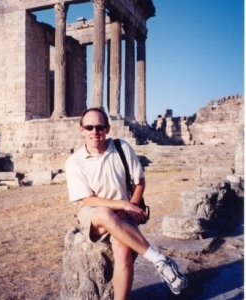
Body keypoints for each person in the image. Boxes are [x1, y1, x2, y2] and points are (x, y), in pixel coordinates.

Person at [65, 107, 188, 300]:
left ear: (108, 128)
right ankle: (160, 260)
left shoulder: (122, 148)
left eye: (99, 127)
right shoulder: (75, 161)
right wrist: (122, 204)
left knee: (123, 252)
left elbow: (139, 183)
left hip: (124, 215)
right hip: (93, 214)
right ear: (81, 130)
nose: (95, 132)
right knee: (105, 213)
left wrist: (131, 205)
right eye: (89, 127)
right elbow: (87, 199)